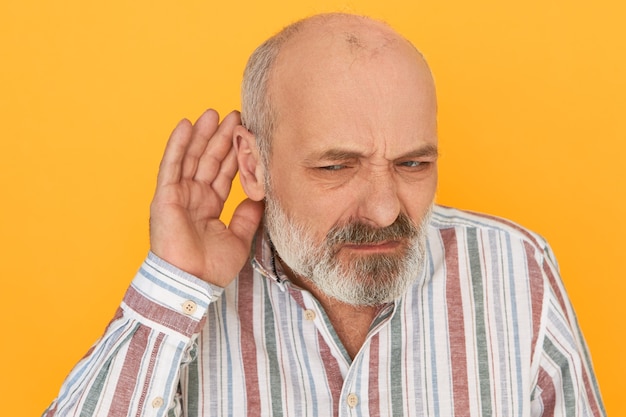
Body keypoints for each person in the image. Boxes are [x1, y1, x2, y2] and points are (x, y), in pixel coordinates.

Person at [44, 12, 605, 417]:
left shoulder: (517, 269)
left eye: (412, 163)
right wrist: (172, 286)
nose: (386, 212)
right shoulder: (190, 302)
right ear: (253, 164)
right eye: (336, 168)